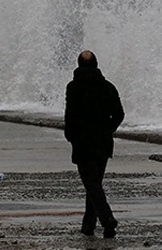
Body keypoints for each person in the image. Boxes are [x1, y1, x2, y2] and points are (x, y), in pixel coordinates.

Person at [64, 50, 124, 238]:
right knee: (94, 184)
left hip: (83, 142)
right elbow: (120, 114)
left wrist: (71, 136)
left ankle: (107, 219)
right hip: (103, 142)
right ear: (96, 64)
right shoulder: (108, 87)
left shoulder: (74, 87)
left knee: (91, 183)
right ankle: (88, 225)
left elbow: (70, 115)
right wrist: (108, 130)